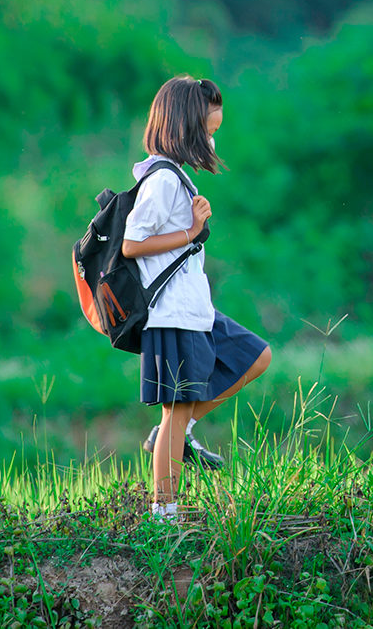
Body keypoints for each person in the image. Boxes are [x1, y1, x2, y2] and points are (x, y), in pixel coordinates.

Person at [123, 76, 273, 520]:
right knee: (175, 408)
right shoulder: (163, 180)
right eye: (208, 129)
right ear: (186, 126)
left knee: (255, 356)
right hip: (171, 313)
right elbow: (133, 242)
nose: (211, 138)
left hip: (194, 308)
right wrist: (190, 231)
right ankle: (164, 512)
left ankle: (180, 433)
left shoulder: (176, 176)